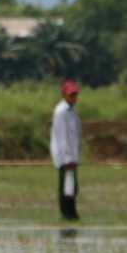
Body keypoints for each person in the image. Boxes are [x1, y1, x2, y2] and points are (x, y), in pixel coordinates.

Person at [50, 79, 83, 224]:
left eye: (75, 94)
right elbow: (62, 137)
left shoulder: (71, 111)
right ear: (64, 95)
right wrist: (67, 159)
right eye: (71, 95)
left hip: (71, 155)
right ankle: (67, 213)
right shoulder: (61, 112)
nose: (74, 97)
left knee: (72, 186)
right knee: (66, 186)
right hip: (65, 157)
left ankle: (72, 212)